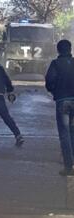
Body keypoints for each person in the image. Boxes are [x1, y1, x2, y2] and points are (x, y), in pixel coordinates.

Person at [45, 40, 74, 176]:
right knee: (73, 132)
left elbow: (49, 82)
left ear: (58, 50)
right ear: (70, 49)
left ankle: (69, 166)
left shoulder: (55, 64)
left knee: (64, 133)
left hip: (63, 101)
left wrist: (55, 92)